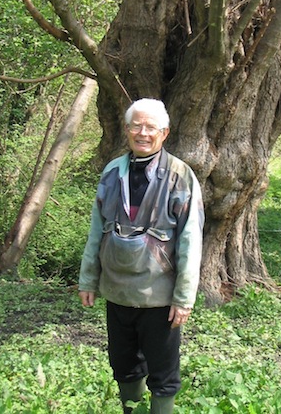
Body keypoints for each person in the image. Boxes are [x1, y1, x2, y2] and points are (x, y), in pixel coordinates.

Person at [78, 98, 204, 414]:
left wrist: (184, 298)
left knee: (163, 375)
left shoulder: (180, 175)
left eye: (151, 127)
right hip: (117, 294)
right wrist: (88, 278)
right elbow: (97, 230)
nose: (143, 133)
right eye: (137, 125)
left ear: (164, 133)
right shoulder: (111, 173)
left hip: (160, 299)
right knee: (124, 366)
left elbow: (191, 239)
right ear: (127, 129)